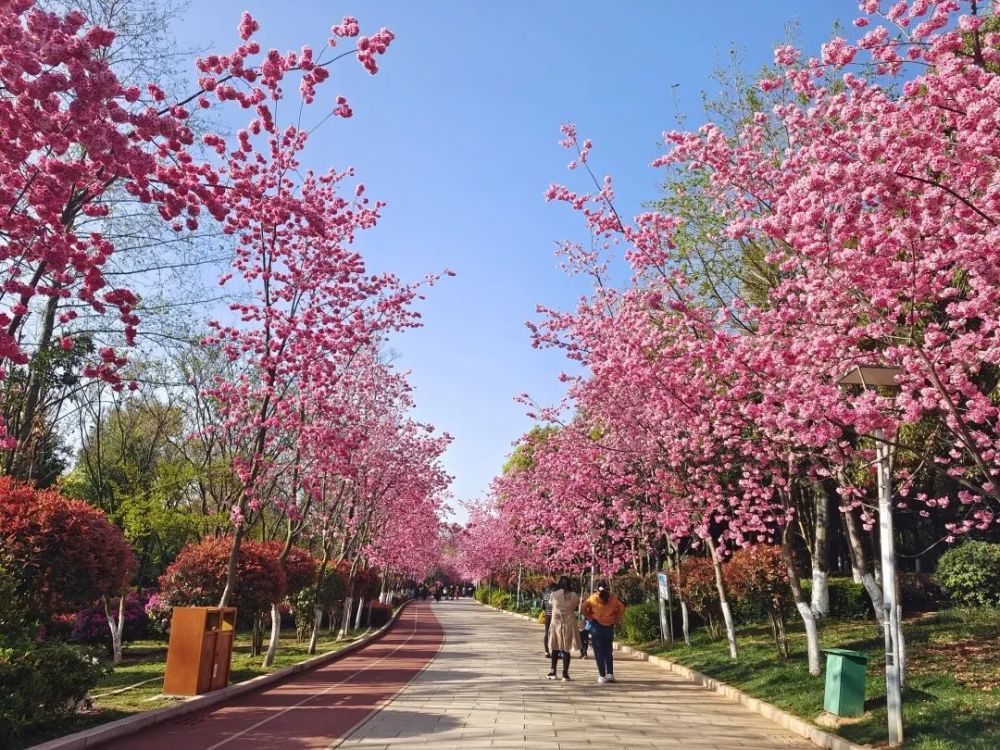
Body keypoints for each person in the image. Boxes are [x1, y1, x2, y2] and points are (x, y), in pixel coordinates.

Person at [582, 582, 626, 684]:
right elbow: (622, 607)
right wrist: (616, 619)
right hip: (609, 626)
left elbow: (583, 607)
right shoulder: (614, 598)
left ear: (597, 589)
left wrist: (589, 617)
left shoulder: (593, 598)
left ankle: (602, 675)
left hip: (596, 626)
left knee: (599, 652)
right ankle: (610, 673)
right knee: (608, 651)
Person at [546, 576, 580, 681]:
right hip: (569, 623)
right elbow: (576, 606)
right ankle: (565, 673)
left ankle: (553, 671)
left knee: (555, 647)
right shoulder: (573, 595)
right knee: (566, 649)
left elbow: (551, 604)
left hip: (556, 623)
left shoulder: (554, 594)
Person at [541, 580, 555, 657]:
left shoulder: (545, 594)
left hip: (547, 615)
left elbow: (542, 606)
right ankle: (555, 650)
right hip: (555, 615)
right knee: (555, 633)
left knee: (547, 633)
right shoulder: (555, 594)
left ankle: (546, 651)